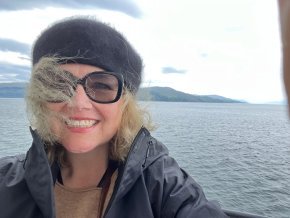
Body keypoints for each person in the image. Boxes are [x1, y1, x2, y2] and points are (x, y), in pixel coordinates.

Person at [0, 17, 228, 218]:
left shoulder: (163, 185)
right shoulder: (6, 180)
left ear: (126, 104)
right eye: (58, 85)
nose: (78, 103)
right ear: (40, 98)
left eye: (101, 86)